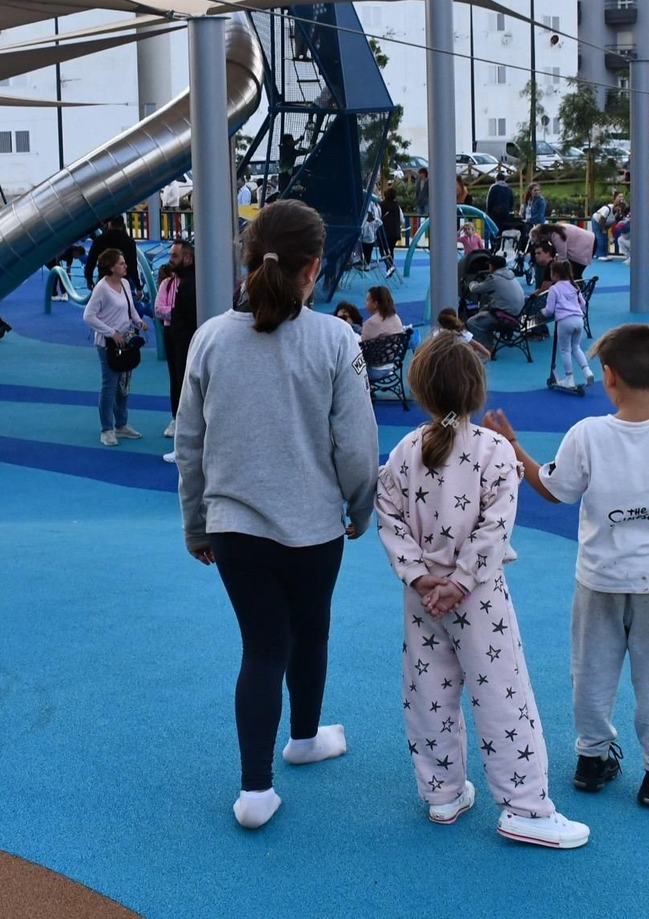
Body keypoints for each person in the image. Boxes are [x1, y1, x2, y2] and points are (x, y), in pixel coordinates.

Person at [482, 324, 649, 810]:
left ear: (607, 378)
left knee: (591, 672)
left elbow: (552, 488)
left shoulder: (587, 435)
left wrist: (515, 447)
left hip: (599, 579)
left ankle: (591, 759)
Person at [175, 199, 379, 831]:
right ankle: (305, 736)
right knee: (310, 630)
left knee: (261, 648)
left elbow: (189, 442)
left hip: (235, 526)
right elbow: (357, 444)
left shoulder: (209, 338)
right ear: (314, 267)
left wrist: (196, 521)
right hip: (314, 526)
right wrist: (360, 504)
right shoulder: (336, 338)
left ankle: (254, 790)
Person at [376, 332, 590, 849]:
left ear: (422, 390)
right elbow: (495, 527)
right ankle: (525, 807)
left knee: (427, 691)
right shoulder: (493, 450)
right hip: (479, 600)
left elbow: (388, 514)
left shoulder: (406, 451)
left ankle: (442, 792)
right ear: (476, 390)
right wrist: (461, 581)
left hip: (421, 600)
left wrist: (419, 575)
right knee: (501, 692)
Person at [82, 247, 144, 447]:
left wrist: (138, 321)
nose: (126, 266)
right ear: (110, 267)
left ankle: (121, 424)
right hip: (107, 344)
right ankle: (106, 429)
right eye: (121, 263)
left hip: (126, 341)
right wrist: (110, 332)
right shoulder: (101, 288)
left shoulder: (125, 283)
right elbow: (88, 316)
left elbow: (131, 308)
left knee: (123, 386)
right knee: (109, 385)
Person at [161, 240, 197, 453]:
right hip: (177, 338)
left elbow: (191, 317)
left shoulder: (188, 284)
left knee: (182, 381)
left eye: (175, 256)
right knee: (177, 379)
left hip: (184, 340)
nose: (170, 260)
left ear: (187, 258)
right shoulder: (178, 281)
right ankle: (178, 419)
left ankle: (183, 424)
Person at [543, 260, 593, 394]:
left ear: (555, 274)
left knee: (565, 350)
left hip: (564, 322)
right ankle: (587, 370)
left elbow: (549, 310)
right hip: (578, 320)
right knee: (576, 347)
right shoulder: (574, 285)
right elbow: (583, 303)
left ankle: (569, 378)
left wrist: (541, 312)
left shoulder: (554, 289)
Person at [465, 256, 525, 356]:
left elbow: (475, 289)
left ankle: (485, 348)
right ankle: (489, 343)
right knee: (485, 310)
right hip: (517, 315)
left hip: (505, 317)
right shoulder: (510, 275)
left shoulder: (494, 279)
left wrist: (471, 282)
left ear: (492, 266)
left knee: (472, 322)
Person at [84, 215, 140, 291]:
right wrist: (138, 285)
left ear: (109, 224)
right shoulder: (129, 242)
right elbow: (133, 265)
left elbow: (91, 261)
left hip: (104, 279)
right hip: (124, 279)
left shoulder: (100, 240)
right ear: (122, 225)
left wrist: (89, 279)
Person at [380, 186, 403, 268]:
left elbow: (377, 217)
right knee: (391, 249)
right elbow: (401, 219)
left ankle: (388, 265)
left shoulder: (381, 205)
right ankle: (390, 266)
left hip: (384, 232)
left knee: (383, 250)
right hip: (394, 232)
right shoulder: (397, 206)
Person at [359, 200, 383, 268]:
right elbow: (361, 229)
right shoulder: (367, 223)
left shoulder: (373, 223)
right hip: (366, 240)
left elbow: (380, 222)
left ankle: (366, 263)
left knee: (368, 252)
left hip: (369, 240)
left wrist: (375, 218)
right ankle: (364, 262)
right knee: (365, 252)